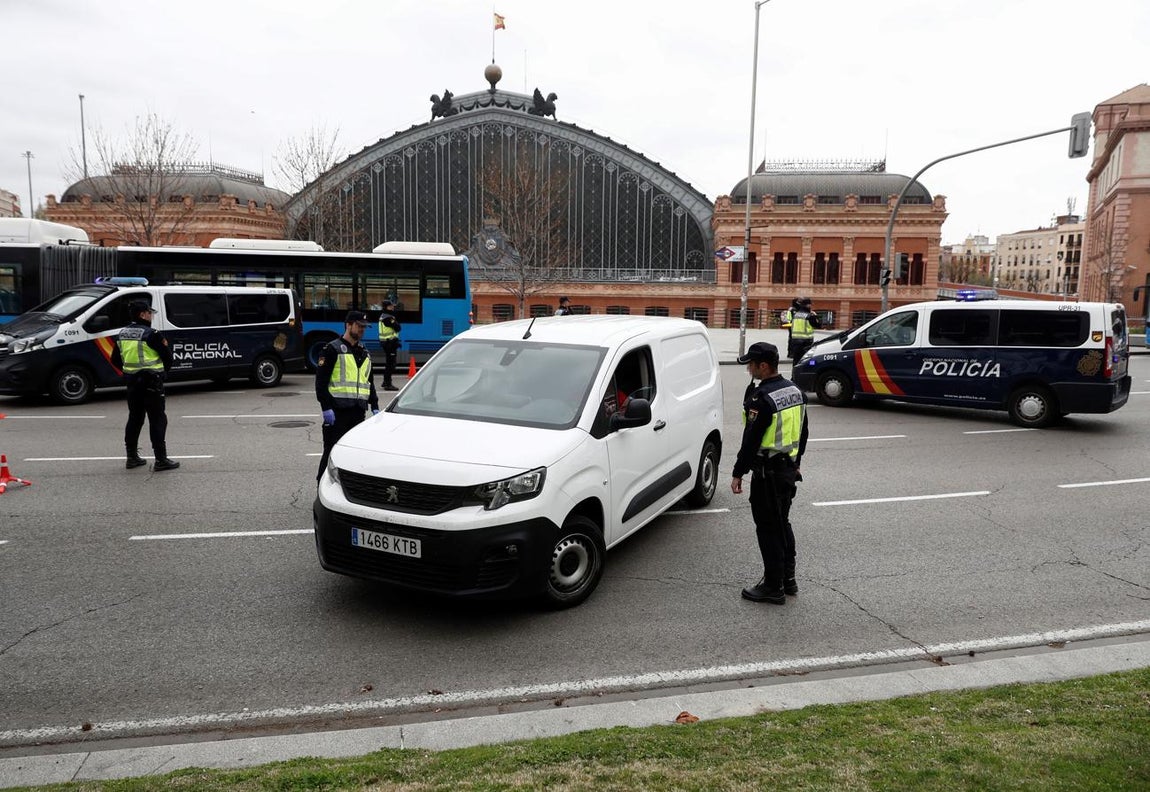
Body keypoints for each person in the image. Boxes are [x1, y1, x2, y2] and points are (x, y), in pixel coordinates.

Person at [730, 341, 809, 604]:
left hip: (767, 474)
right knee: (782, 523)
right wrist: (797, 461)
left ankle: (773, 587)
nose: (749, 369)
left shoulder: (761, 398)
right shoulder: (795, 390)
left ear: (763, 366)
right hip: (786, 470)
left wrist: (738, 472)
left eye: (751, 364)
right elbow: (803, 431)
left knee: (768, 529)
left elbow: (751, 440)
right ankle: (788, 579)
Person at [110, 300, 180, 471]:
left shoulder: (122, 333)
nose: (151, 315)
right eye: (150, 313)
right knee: (157, 419)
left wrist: (130, 372)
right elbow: (167, 358)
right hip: (152, 383)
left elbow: (115, 360)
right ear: (143, 314)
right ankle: (161, 460)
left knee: (135, 419)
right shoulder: (152, 334)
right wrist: (162, 374)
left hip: (132, 383)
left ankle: (132, 457)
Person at [316, 311, 380, 481]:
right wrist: (326, 408)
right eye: (359, 326)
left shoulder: (364, 352)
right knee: (331, 452)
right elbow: (321, 383)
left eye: (364, 327)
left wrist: (374, 406)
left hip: (358, 413)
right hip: (337, 413)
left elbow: (369, 381)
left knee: (352, 455)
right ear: (348, 325)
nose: (362, 330)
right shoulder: (332, 349)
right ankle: (321, 487)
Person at [780, 296, 822, 362]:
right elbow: (818, 325)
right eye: (810, 305)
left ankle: (795, 371)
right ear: (808, 305)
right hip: (807, 342)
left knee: (796, 360)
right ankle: (809, 370)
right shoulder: (809, 316)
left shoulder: (796, 315)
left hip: (795, 340)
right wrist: (815, 316)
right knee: (808, 360)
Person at [377, 300, 401, 391]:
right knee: (391, 364)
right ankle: (388, 384)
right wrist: (396, 323)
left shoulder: (384, 316)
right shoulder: (388, 317)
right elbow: (398, 328)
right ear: (386, 307)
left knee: (389, 363)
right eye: (391, 306)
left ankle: (385, 381)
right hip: (389, 343)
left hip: (387, 342)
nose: (393, 307)